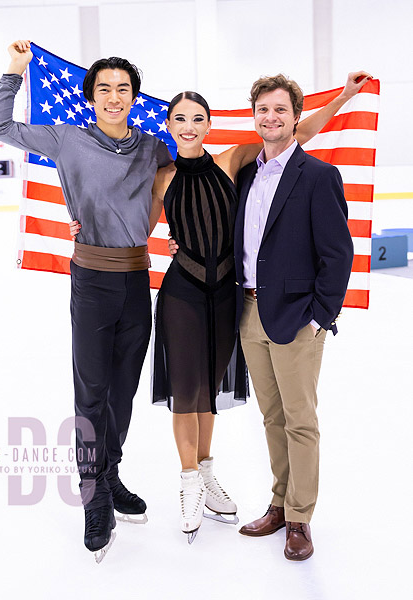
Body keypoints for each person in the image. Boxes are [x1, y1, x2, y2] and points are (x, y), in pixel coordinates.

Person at [123, 70, 369, 543]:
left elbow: (302, 135)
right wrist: (84, 227)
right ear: (169, 125)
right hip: (212, 300)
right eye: (180, 119)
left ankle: (290, 513)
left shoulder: (238, 160)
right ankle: (218, 491)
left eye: (198, 118)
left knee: (264, 410)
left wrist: (343, 98)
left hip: (263, 306)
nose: (189, 126)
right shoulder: (188, 175)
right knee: (222, 401)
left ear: (210, 124)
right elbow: (135, 228)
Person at [0, 40, 172, 562]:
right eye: (105, 89)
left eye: (124, 89)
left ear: (135, 96)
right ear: (90, 96)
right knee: (90, 394)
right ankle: (93, 499)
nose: (115, 97)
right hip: (91, 281)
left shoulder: (153, 147)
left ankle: (109, 476)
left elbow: (190, 176)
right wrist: (13, 72)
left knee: (123, 394)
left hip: (138, 282)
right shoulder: (66, 139)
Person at [234, 74, 356, 561]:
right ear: (254, 115)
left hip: (297, 318)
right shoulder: (246, 175)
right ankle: (279, 504)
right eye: (263, 109)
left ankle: (300, 519)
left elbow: (338, 254)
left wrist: (319, 316)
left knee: (300, 421)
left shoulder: (318, 176)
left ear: (295, 116)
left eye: (280, 110)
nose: (270, 117)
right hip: (248, 312)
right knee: (272, 417)